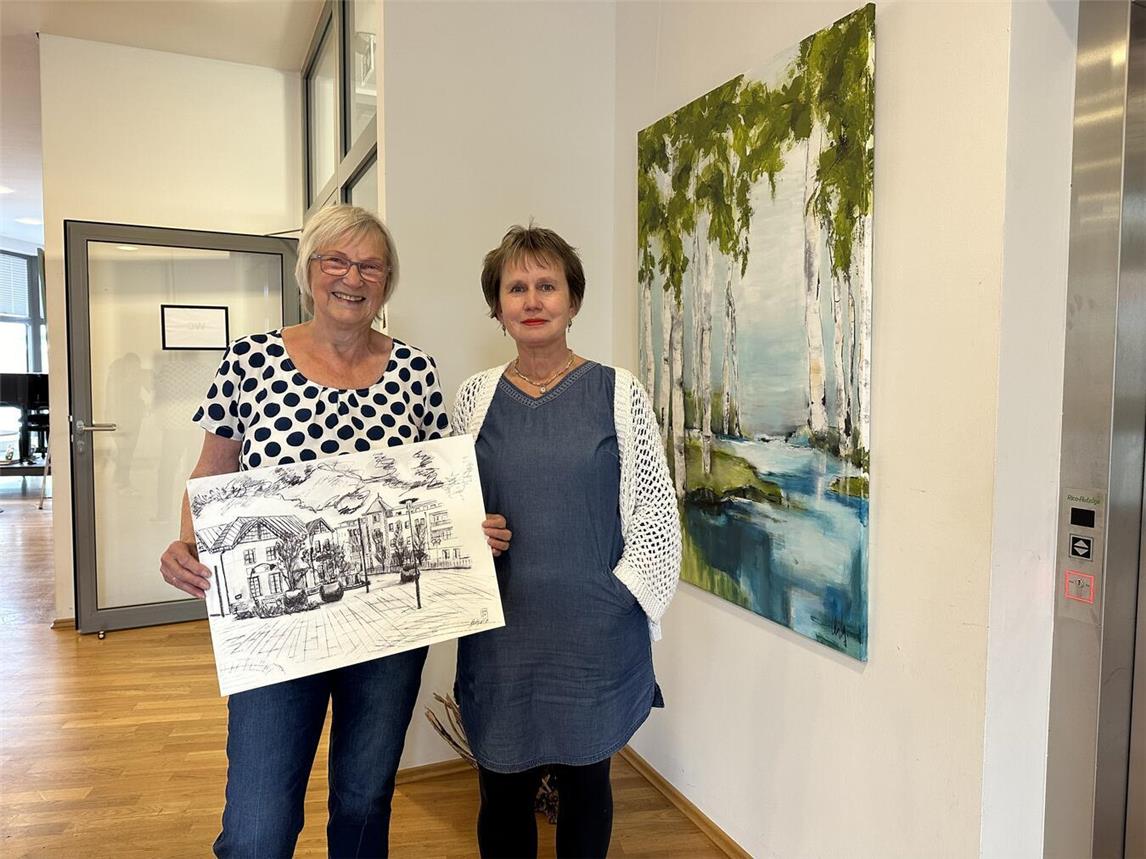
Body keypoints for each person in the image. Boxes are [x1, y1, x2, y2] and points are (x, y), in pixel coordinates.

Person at [158, 204, 511, 858]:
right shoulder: (251, 359)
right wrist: (188, 546)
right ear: (310, 271)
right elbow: (212, 472)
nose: (353, 276)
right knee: (259, 825)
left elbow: (437, 487)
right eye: (336, 260)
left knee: (362, 799)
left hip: (387, 627)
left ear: (387, 281)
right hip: (275, 628)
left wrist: (471, 528)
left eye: (371, 265)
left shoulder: (415, 370)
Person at [451, 225, 681, 859]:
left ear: (573, 301)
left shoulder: (619, 392)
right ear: (496, 307)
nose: (532, 299)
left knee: (587, 781)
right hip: (500, 630)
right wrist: (469, 533)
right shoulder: (475, 397)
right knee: (500, 786)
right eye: (516, 287)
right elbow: (453, 505)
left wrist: (623, 597)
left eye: (547, 286)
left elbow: (657, 516)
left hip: (593, 632)